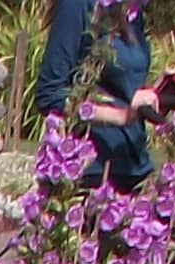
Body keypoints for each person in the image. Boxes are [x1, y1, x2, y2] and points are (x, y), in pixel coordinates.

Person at [34, 0, 166, 192]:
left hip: (134, 166)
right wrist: (121, 116)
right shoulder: (77, 6)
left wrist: (157, 94)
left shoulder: (133, 11)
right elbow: (49, 95)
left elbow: (121, 85)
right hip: (89, 170)